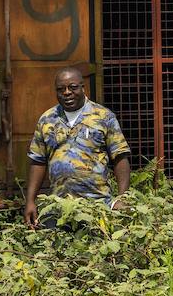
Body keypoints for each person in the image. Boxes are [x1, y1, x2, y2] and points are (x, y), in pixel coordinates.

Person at [24, 65, 131, 228]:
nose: (67, 92)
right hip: (59, 207)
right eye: (61, 89)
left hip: (97, 207)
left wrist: (122, 198)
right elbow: (38, 162)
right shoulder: (47, 119)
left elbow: (120, 157)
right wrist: (30, 201)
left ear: (82, 87)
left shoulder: (103, 116)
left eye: (72, 87)